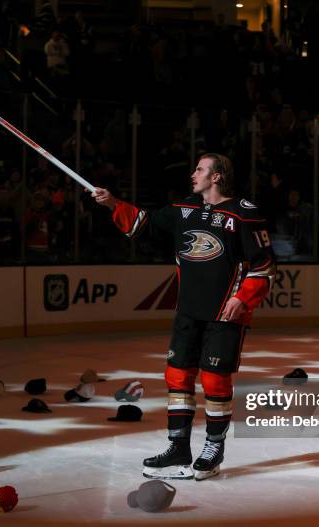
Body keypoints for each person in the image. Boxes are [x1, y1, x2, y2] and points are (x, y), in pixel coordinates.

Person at [92, 154, 276, 480]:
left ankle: (213, 448)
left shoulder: (244, 214)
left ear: (217, 176)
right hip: (188, 311)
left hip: (225, 313)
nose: (193, 174)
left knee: (215, 379)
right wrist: (112, 203)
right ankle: (178, 447)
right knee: (177, 377)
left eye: (200, 169)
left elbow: (264, 268)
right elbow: (143, 223)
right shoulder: (183, 210)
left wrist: (242, 299)